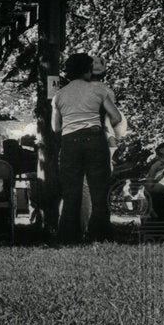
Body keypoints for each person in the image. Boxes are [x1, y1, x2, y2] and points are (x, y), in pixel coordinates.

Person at [52, 52, 122, 244]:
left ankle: (68, 236)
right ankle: (99, 234)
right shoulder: (98, 91)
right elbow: (116, 118)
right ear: (88, 70)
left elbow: (56, 127)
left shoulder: (59, 95)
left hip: (69, 142)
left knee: (71, 191)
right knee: (99, 190)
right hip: (94, 139)